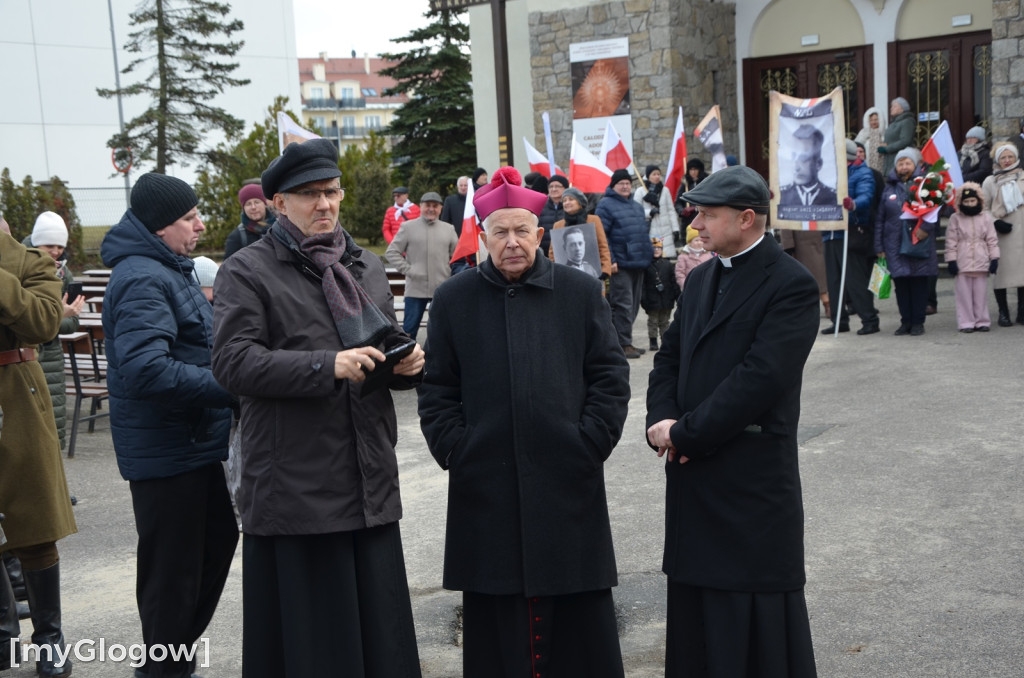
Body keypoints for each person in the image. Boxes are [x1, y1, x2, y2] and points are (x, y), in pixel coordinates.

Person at [212, 138, 424, 678]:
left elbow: (380, 347)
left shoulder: (364, 264)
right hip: (295, 488)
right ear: (278, 204)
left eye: (330, 191)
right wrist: (323, 365)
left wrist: (408, 366)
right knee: (316, 647)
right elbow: (232, 364)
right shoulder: (246, 270)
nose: (324, 204)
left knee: (380, 641)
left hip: (368, 477)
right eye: (308, 195)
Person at [418, 165, 631, 678]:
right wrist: (456, 449)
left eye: (521, 232)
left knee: (579, 633)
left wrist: (590, 441)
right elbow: (437, 387)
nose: (512, 242)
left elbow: (609, 374)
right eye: (500, 232)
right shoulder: (455, 298)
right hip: (484, 482)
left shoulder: (579, 293)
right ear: (483, 236)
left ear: (540, 234)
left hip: (567, 478)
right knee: (498, 628)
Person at [645, 165, 819, 678]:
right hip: (694, 479)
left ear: (746, 218)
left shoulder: (790, 284)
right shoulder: (700, 278)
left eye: (707, 214)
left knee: (752, 616)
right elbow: (669, 358)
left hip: (750, 482)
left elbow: (760, 379)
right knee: (698, 615)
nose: (696, 224)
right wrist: (662, 418)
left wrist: (687, 434)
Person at [101, 172, 238, 678]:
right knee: (171, 574)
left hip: (191, 443)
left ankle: (170, 662)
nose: (200, 225)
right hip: (167, 450)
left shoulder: (166, 266)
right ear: (160, 226)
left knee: (213, 545)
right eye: (189, 218)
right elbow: (146, 369)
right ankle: (161, 668)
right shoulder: (142, 276)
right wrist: (232, 388)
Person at [0, 230, 75, 678]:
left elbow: (45, 323)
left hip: (17, 395)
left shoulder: (30, 262)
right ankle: (4, 635)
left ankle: (49, 638)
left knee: (34, 522)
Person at [24, 212, 86, 450]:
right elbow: (25, 321)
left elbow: (72, 323)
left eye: (60, 246)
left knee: (53, 424)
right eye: (50, 245)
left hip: (51, 356)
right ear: (36, 241)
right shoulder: (20, 268)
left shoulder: (63, 272)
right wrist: (57, 316)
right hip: (28, 356)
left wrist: (60, 317)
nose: (56, 251)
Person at [875, 147, 936, 335]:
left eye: (907, 163)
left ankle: (918, 322)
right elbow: (880, 218)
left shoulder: (925, 184)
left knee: (918, 285)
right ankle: (905, 321)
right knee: (901, 286)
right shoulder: (889, 188)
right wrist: (879, 245)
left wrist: (925, 229)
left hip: (918, 242)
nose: (903, 166)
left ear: (915, 165)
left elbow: (934, 208)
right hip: (894, 245)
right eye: (900, 163)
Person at [822, 139, 880, 335]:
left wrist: (853, 204)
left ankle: (869, 320)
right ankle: (839, 321)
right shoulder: (828, 172)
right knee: (834, 281)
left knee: (855, 280)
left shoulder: (863, 173)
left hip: (851, 232)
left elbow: (866, 196)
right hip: (829, 232)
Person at [596, 169, 655, 359]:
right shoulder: (605, 205)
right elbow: (602, 235)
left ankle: (626, 340)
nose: (625, 186)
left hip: (638, 262)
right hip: (620, 264)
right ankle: (622, 343)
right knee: (623, 304)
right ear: (613, 186)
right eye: (621, 183)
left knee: (634, 304)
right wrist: (611, 259)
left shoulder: (636, 206)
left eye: (628, 183)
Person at [384, 191, 459, 340]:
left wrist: (449, 273)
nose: (431, 209)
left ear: (441, 208)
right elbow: (391, 252)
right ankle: (408, 360)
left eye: (435, 206)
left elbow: (456, 256)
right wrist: (409, 270)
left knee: (442, 331)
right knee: (409, 330)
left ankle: (437, 361)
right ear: (421, 206)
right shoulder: (408, 227)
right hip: (415, 290)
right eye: (427, 205)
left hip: (441, 289)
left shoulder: (449, 229)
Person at [945, 183, 999, 332]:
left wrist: (994, 258)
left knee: (980, 295)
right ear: (961, 202)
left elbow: (992, 239)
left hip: (981, 261)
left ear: (978, 201)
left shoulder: (986, 218)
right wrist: (951, 260)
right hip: (962, 262)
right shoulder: (955, 218)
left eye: (972, 201)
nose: (969, 204)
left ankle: (982, 321)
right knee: (964, 296)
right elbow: (951, 241)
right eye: (966, 201)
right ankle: (966, 322)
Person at [982, 143, 1024, 327]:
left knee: (1022, 274)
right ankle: (1003, 312)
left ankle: (1022, 312)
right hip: (1000, 234)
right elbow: (983, 208)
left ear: (1016, 158)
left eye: (1010, 157)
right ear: (997, 160)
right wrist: (995, 221)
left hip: (1021, 231)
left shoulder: (1023, 177)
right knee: (1001, 275)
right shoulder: (990, 181)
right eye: (1003, 158)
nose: (1007, 161)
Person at [549, 186, 612, 280]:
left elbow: (603, 246)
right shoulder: (558, 225)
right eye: (565, 200)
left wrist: (605, 270)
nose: (567, 203)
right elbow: (553, 252)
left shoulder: (593, 220)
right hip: (567, 277)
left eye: (571, 199)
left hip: (594, 276)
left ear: (580, 202)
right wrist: (555, 271)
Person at [779, 124, 838, 207]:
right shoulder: (782, 196)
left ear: (818, 164)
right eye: (793, 158)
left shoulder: (833, 197)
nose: (796, 168)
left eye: (803, 159)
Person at [641, 237, 680, 351]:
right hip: (652, 299)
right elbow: (643, 284)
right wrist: (643, 299)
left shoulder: (667, 264)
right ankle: (653, 341)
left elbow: (673, 281)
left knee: (665, 322)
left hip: (666, 298)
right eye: (654, 248)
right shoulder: (646, 265)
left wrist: (677, 296)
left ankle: (664, 340)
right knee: (652, 321)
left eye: (659, 248)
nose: (656, 250)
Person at [639, 165, 681, 258]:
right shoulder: (640, 191)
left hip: (666, 231)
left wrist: (675, 229)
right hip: (651, 229)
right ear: (648, 176)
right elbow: (635, 211)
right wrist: (649, 212)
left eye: (658, 174)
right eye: (654, 174)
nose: (657, 176)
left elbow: (671, 210)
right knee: (654, 257)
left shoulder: (665, 190)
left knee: (666, 259)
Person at [224, 183, 274, 259]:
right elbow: (228, 268)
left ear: (264, 204)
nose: (253, 207)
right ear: (243, 208)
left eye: (257, 202)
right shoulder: (236, 237)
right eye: (248, 204)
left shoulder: (280, 228)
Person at [877, 97, 916, 176]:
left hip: (900, 160)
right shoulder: (893, 123)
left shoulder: (907, 122)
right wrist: (882, 146)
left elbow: (905, 140)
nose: (891, 108)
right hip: (889, 160)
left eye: (894, 106)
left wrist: (886, 149)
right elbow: (889, 140)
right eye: (891, 106)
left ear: (902, 109)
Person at [675, 158, 707, 232]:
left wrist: (695, 208)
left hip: (703, 219)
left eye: (695, 169)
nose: (693, 172)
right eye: (691, 169)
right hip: (688, 221)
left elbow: (709, 200)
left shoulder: (705, 183)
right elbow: (678, 202)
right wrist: (682, 211)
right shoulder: (685, 184)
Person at [538, 174, 568, 254]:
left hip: (567, 252)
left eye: (557, 186)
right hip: (545, 253)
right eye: (551, 187)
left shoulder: (570, 206)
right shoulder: (540, 206)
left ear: (565, 188)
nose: (553, 189)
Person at [855, 106, 887, 174]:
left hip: (882, 163)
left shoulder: (885, 132)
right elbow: (857, 145)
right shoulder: (864, 132)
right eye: (871, 120)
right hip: (867, 163)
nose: (873, 122)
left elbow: (890, 145)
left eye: (876, 119)